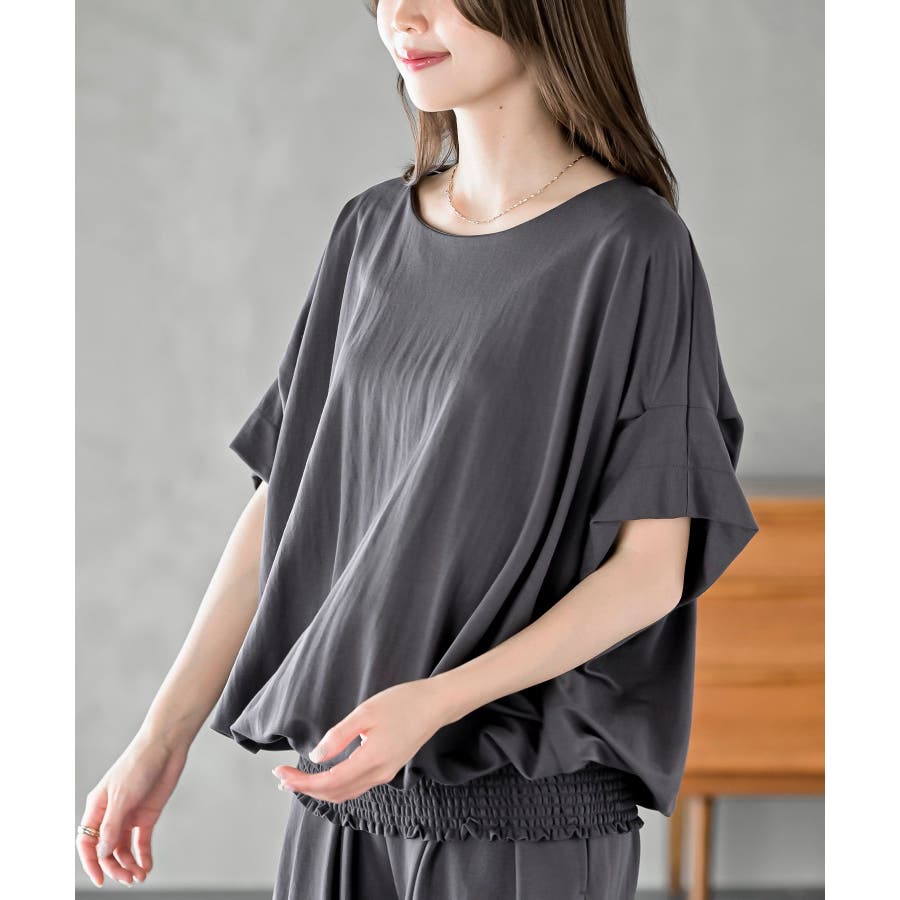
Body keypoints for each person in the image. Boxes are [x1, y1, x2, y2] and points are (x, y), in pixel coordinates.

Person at [76, 1, 761, 897]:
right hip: (341, 801)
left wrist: (436, 702)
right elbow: (285, 510)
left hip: (521, 817)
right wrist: (158, 740)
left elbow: (650, 572)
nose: (401, 15)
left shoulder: (632, 248)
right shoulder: (368, 232)